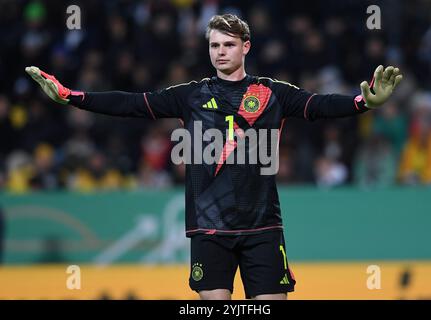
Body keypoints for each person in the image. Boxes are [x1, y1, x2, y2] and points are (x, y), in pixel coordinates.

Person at [25, 14, 402, 300]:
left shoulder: (272, 93)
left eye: (227, 45)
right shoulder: (189, 95)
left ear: (245, 47)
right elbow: (130, 104)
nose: (220, 52)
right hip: (209, 230)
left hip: (263, 229)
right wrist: (72, 96)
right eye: (214, 46)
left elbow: (319, 106)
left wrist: (362, 103)